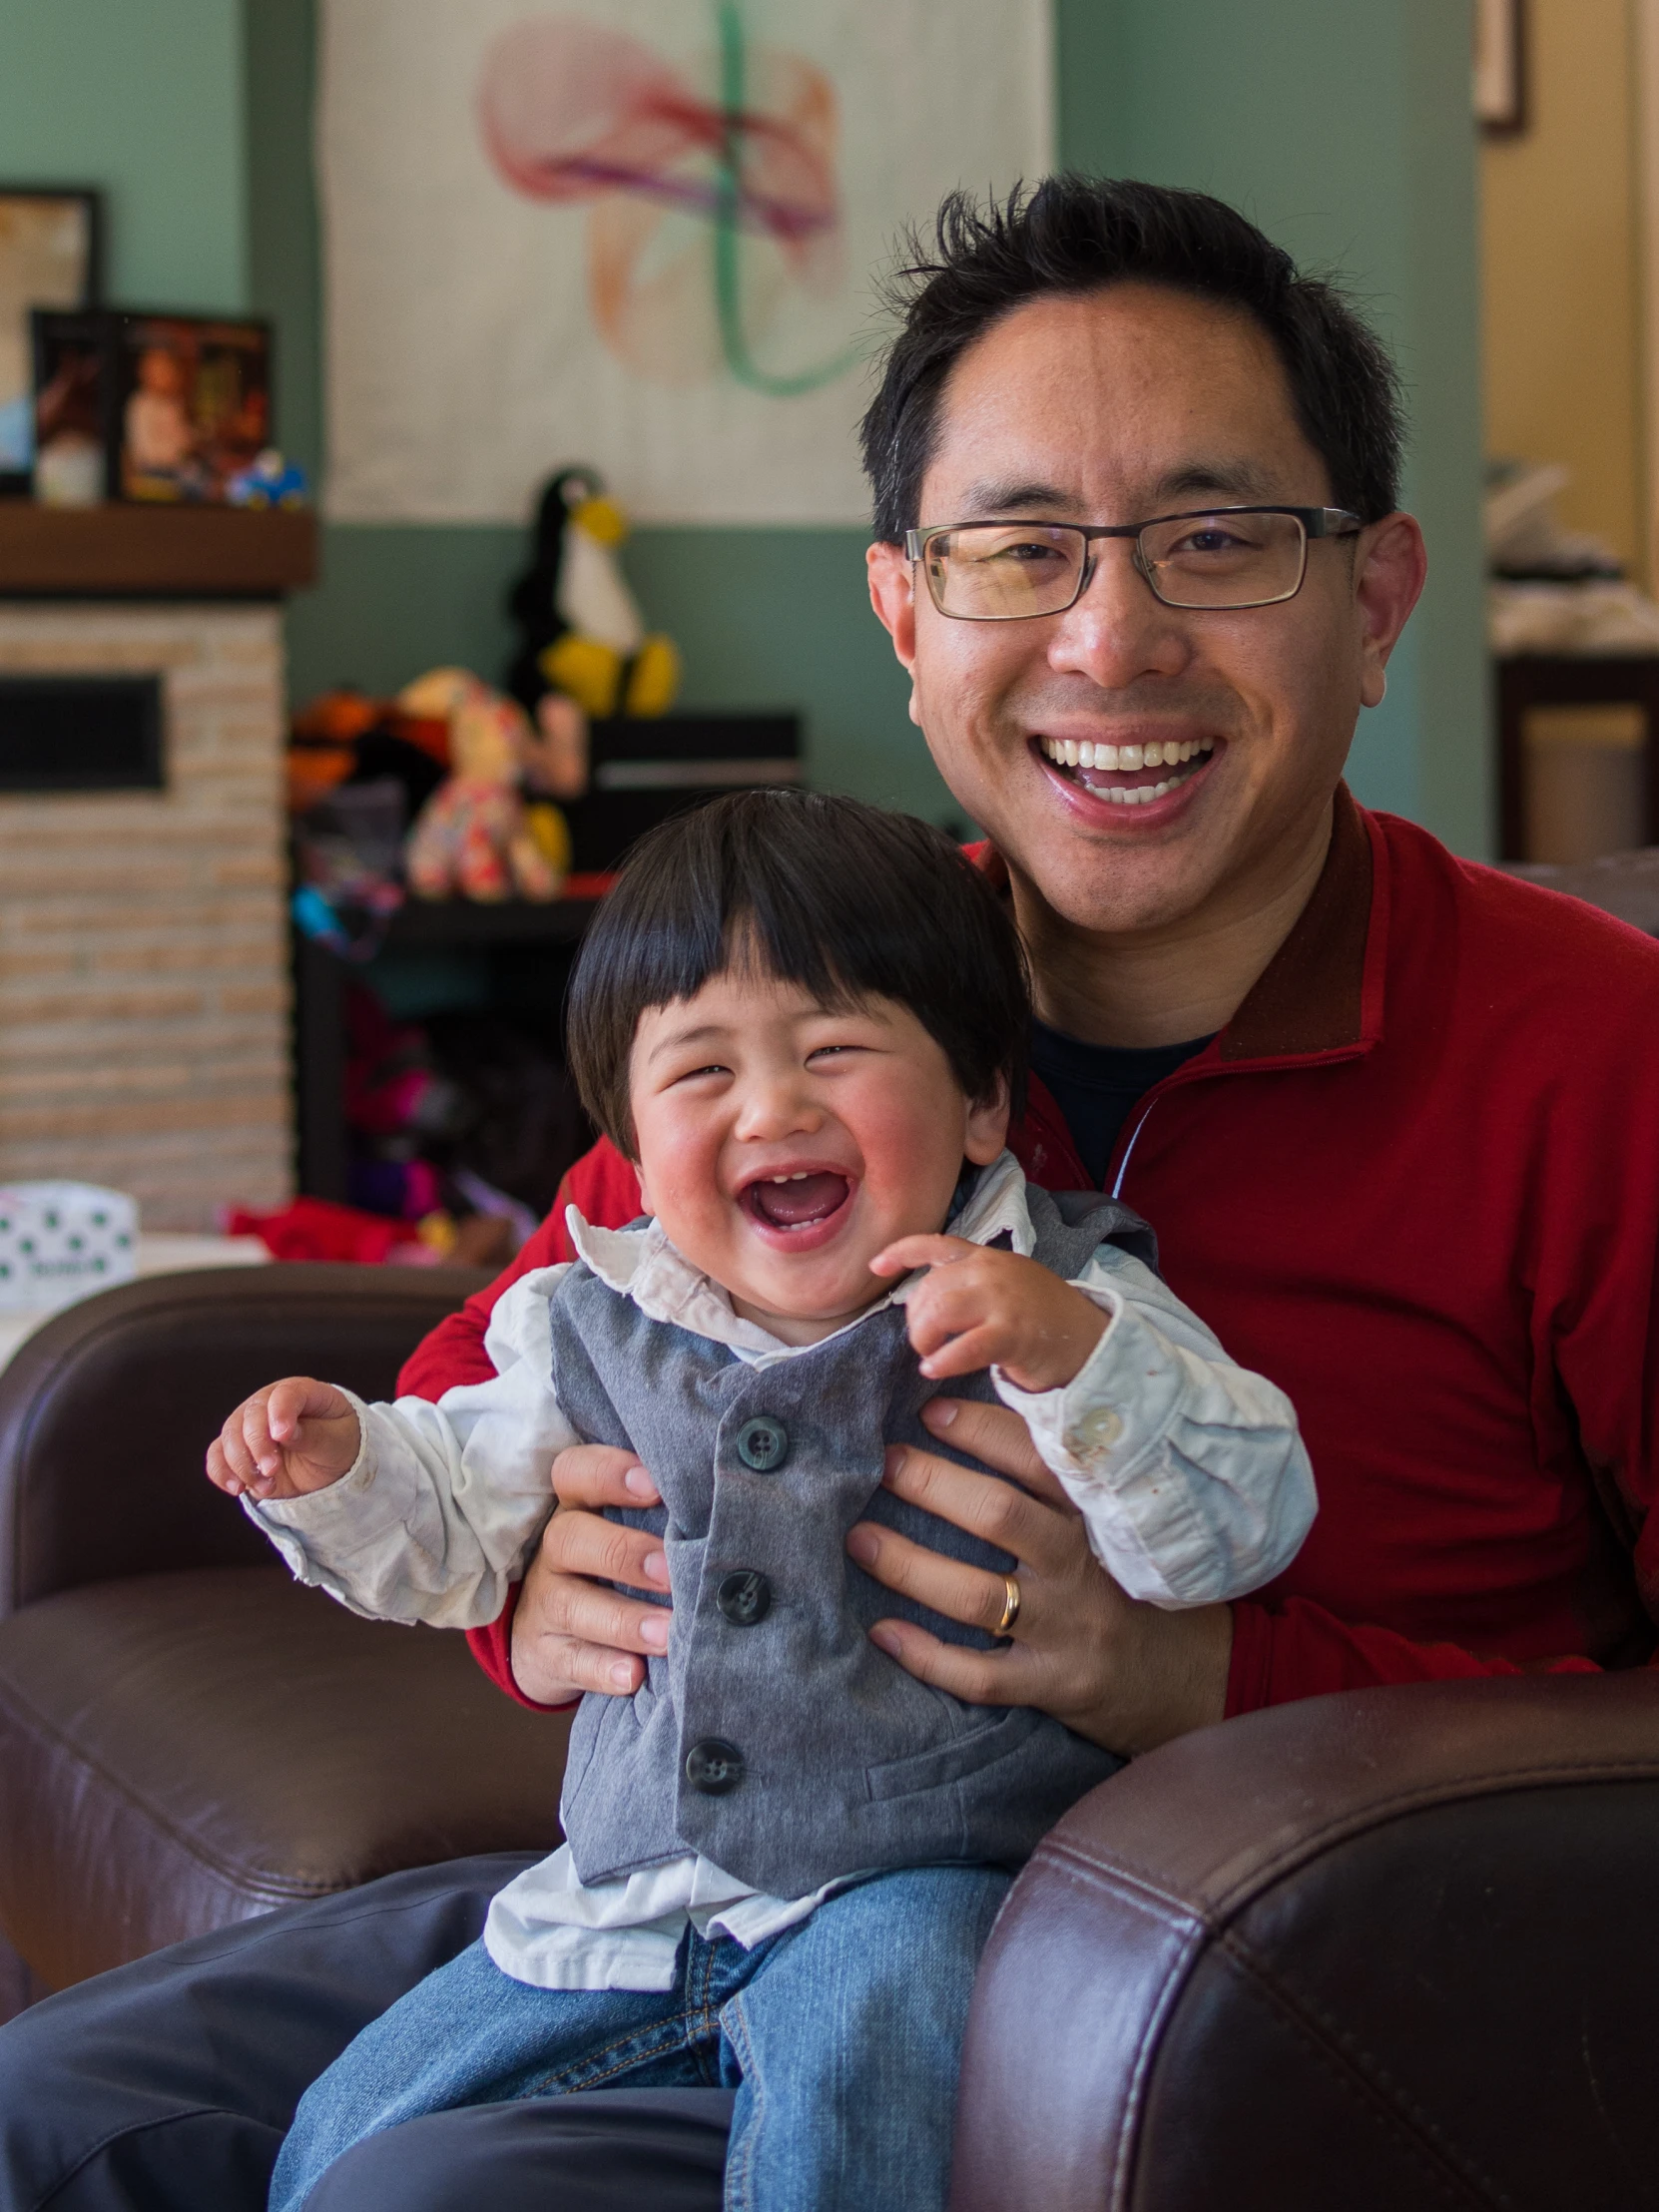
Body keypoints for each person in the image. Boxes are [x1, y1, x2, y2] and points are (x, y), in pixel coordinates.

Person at [5, 173, 1658, 2212]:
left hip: (1213, 1991)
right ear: (903, 615)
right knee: (39, 2119)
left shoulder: (1603, 1062)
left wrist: (1223, 1687)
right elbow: (511, 1347)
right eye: (1016, 548)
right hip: (670, 1887)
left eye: (1221, 540)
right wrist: (520, 1605)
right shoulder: (812, 1007)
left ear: (1379, 598)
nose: (1111, 636)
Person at [210, 790, 1313, 2211]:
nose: (772, 1108)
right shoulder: (581, 1316)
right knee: (347, 2131)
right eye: (699, 1074)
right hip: (617, 1903)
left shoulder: (1070, 1296)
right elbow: (450, 1532)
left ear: (981, 1102)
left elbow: (1239, 1518)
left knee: (876, 2039)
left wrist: (1070, 1358)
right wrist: (342, 1466)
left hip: (925, 1887)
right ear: (626, 1135)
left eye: (835, 1051)